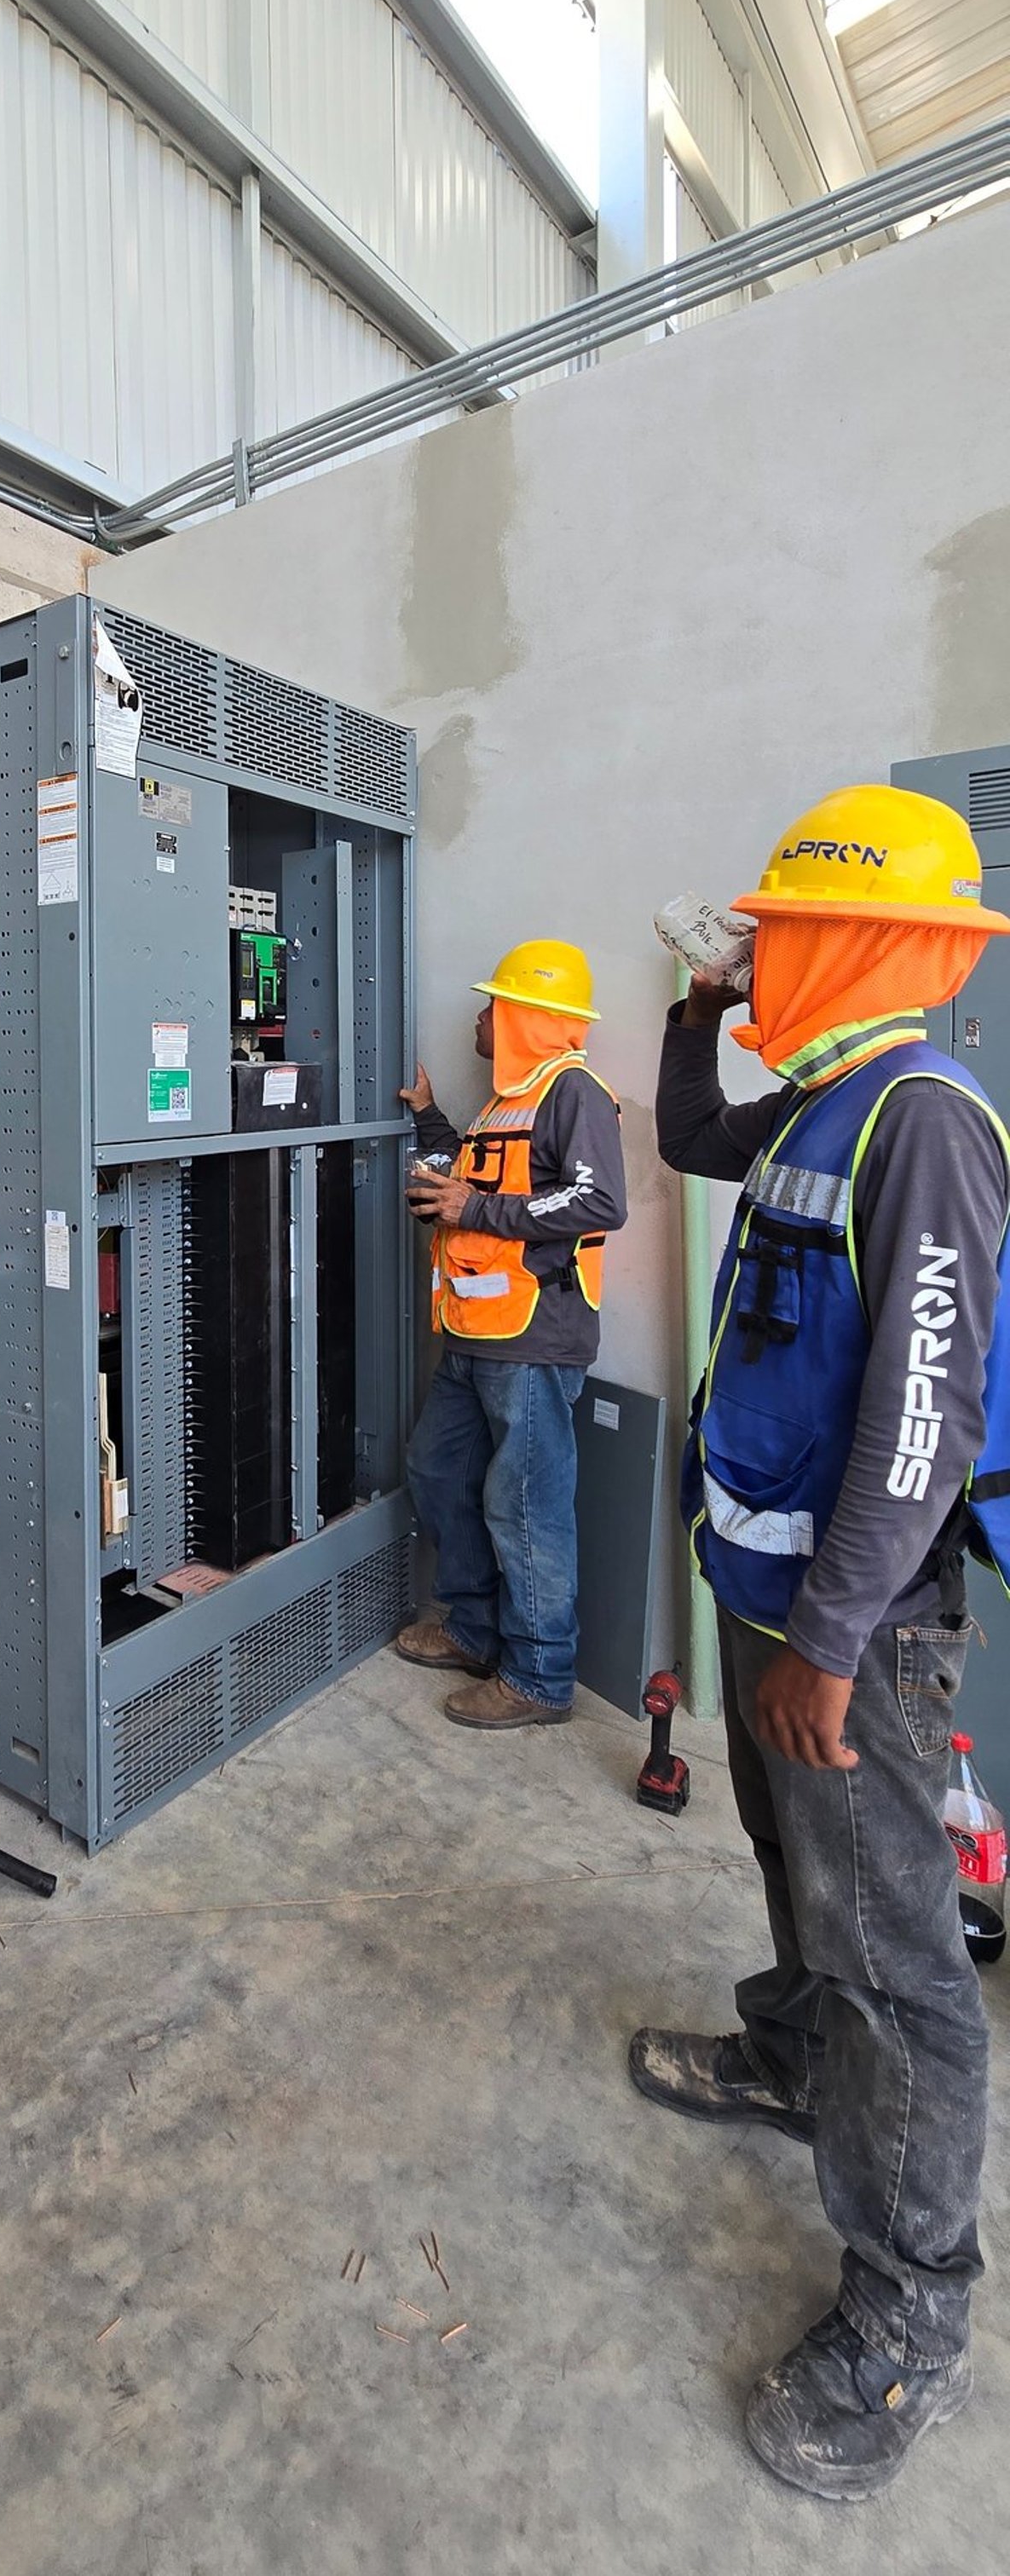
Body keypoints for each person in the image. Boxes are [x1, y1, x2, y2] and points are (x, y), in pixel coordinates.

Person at [637, 784, 1010, 2500]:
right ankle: (792, 2058)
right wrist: (696, 1010)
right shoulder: (819, 1102)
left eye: (774, 932)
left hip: (851, 1628)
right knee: (793, 1872)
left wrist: (835, 1643)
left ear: (853, 934)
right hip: (769, 1586)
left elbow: (919, 1420)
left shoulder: (927, 1119)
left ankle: (907, 2317)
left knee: (901, 1970)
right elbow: (692, 1146)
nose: (754, 949)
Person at [395, 939, 628, 1727]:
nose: (482, 1017)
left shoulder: (575, 1094)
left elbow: (599, 1204)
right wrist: (428, 1118)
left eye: (494, 1005)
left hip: (533, 1338)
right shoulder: (508, 1100)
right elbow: (471, 1178)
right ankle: (473, 1629)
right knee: (436, 1470)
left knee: (524, 1505)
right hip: (473, 1328)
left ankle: (538, 1677)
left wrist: (476, 1211)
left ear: (529, 1015)